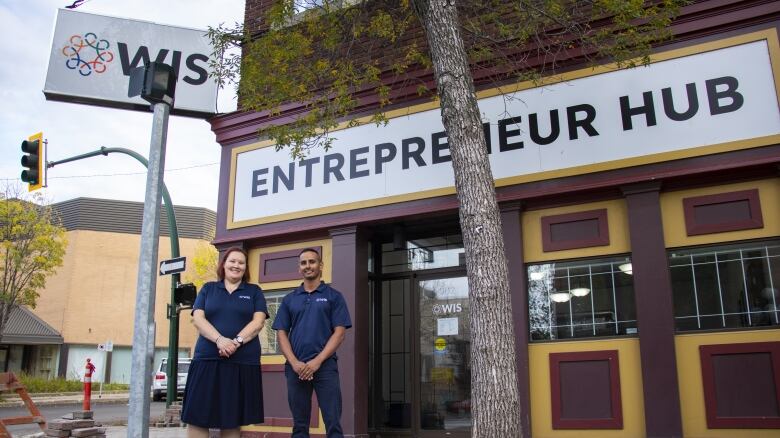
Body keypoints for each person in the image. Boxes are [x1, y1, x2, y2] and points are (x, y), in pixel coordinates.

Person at [181, 247, 268, 438]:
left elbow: (258, 322)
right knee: (197, 416)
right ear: (224, 264)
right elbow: (198, 318)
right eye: (232, 261)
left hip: (241, 362)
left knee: (231, 418)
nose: (236, 265)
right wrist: (220, 340)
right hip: (207, 360)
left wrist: (235, 343)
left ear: (245, 268)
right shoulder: (208, 289)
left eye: (241, 263)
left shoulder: (254, 292)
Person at [272, 248, 352, 437]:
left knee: (333, 422)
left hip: (325, 367)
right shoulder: (290, 299)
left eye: (312, 261)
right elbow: (281, 334)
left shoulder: (334, 296)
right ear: (299, 268)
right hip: (296, 368)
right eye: (303, 263)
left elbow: (339, 333)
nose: (308, 266)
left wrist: (317, 362)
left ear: (321, 266)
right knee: (299, 425)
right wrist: (295, 363)